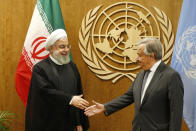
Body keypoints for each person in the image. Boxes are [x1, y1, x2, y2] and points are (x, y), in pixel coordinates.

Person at [85, 38, 184, 131]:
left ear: (152, 56)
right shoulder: (141, 74)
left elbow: (176, 112)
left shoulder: (171, 76)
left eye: (140, 55)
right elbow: (128, 96)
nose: (136, 58)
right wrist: (105, 107)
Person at [25, 29, 89, 131]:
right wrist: (70, 99)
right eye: (62, 47)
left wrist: (79, 122)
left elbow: (78, 94)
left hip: (70, 125)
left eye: (68, 46)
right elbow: (46, 92)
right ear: (51, 48)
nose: (66, 50)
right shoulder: (40, 68)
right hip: (49, 124)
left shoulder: (72, 66)